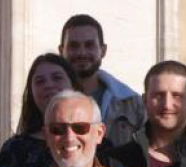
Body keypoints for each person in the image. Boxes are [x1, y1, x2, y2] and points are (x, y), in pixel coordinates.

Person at [0, 53, 82, 167]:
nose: (48, 85)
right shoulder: (15, 150)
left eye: (57, 77)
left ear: (73, 85)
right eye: (40, 81)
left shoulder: (95, 144)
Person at [59, 14, 145, 149]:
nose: (82, 53)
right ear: (61, 51)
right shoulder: (46, 101)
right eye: (74, 46)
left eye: (89, 45)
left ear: (103, 51)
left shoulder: (132, 105)